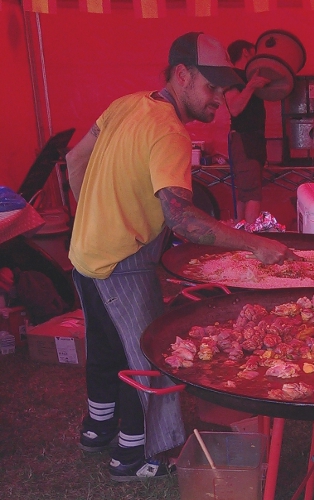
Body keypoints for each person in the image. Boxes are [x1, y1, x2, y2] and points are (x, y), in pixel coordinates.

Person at [65, 32, 295, 482]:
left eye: (224, 88)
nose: (220, 99)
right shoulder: (170, 130)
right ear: (182, 74)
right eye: (211, 87)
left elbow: (75, 159)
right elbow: (182, 219)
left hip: (84, 250)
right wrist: (256, 244)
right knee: (147, 358)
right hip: (121, 260)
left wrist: (94, 213)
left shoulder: (126, 104)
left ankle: (97, 431)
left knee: (105, 347)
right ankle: (133, 458)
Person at [224, 40, 270, 223]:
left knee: (246, 192)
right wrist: (251, 86)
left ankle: (242, 236)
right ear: (246, 52)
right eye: (254, 52)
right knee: (252, 193)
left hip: (254, 139)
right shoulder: (232, 77)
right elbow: (234, 108)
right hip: (244, 139)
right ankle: (251, 241)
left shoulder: (249, 76)